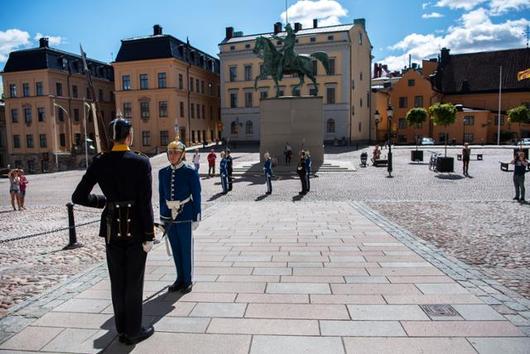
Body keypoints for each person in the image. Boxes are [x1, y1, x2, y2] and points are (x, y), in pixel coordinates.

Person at [72, 118, 155, 345]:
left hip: (112, 229)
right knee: (134, 281)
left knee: (117, 280)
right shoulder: (141, 162)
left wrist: (104, 202)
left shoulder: (100, 161)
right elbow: (145, 203)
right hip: (137, 229)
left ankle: (121, 329)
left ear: (111, 137)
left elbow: (78, 196)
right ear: (129, 136)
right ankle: (134, 330)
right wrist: (149, 235)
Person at [159, 136, 201, 294]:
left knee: (185, 249)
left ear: (182, 154)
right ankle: (179, 278)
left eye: (175, 153)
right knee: (175, 249)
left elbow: (196, 195)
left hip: (185, 214)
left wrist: (197, 215)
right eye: (170, 153)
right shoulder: (163, 173)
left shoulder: (190, 172)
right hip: (169, 217)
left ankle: (187, 279)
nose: (172, 156)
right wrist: (162, 217)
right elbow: (162, 195)